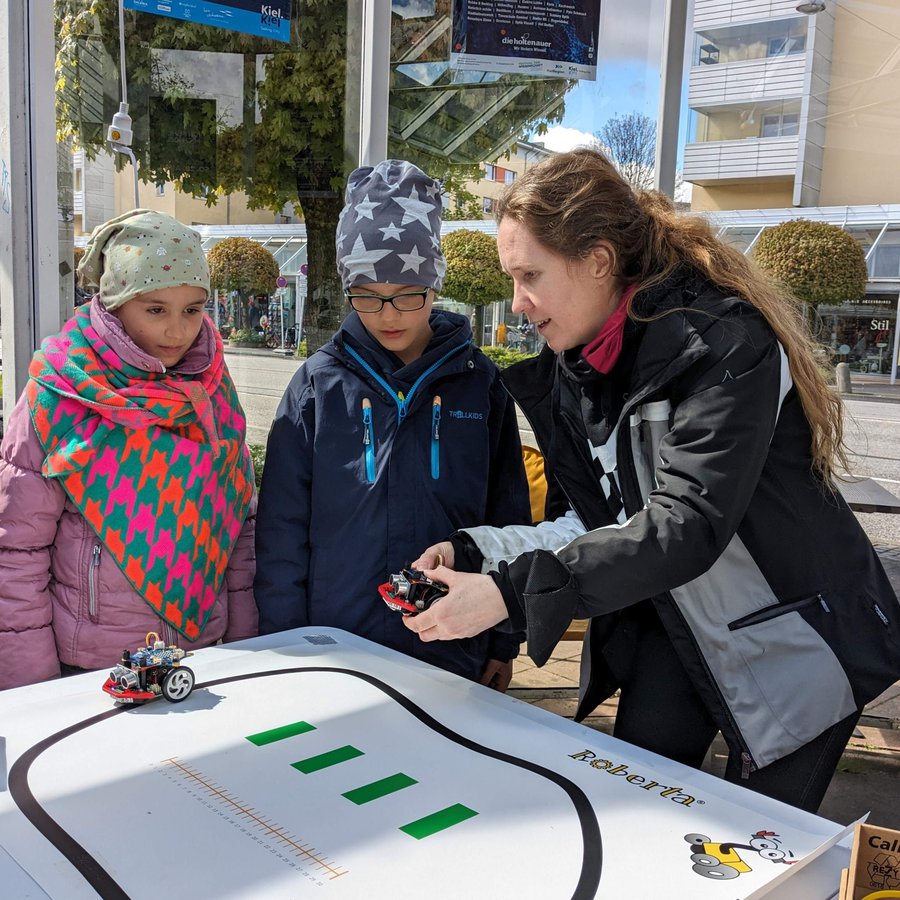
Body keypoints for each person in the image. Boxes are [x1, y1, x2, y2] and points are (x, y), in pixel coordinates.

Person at [403, 148, 900, 812]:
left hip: (799, 642)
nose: (517, 303)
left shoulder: (725, 342)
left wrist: (506, 595)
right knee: (643, 816)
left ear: (599, 261)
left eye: (530, 276)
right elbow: (598, 526)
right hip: (678, 621)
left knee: (763, 849)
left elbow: (683, 525)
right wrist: (478, 553)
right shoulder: (571, 370)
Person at [254, 159, 531, 687]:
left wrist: (502, 637)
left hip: (452, 643)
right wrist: (283, 642)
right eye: (368, 295)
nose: (388, 314)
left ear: (435, 281)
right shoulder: (316, 386)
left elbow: (507, 516)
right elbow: (281, 531)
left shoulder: (480, 384)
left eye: (409, 294)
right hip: (335, 646)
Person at [0, 209, 258, 691]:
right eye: (155, 309)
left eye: (193, 309)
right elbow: (16, 552)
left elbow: (239, 530)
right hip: (90, 672)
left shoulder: (213, 392)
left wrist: (245, 644)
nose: (178, 332)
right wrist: (32, 686)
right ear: (115, 305)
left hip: (203, 660)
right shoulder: (58, 395)